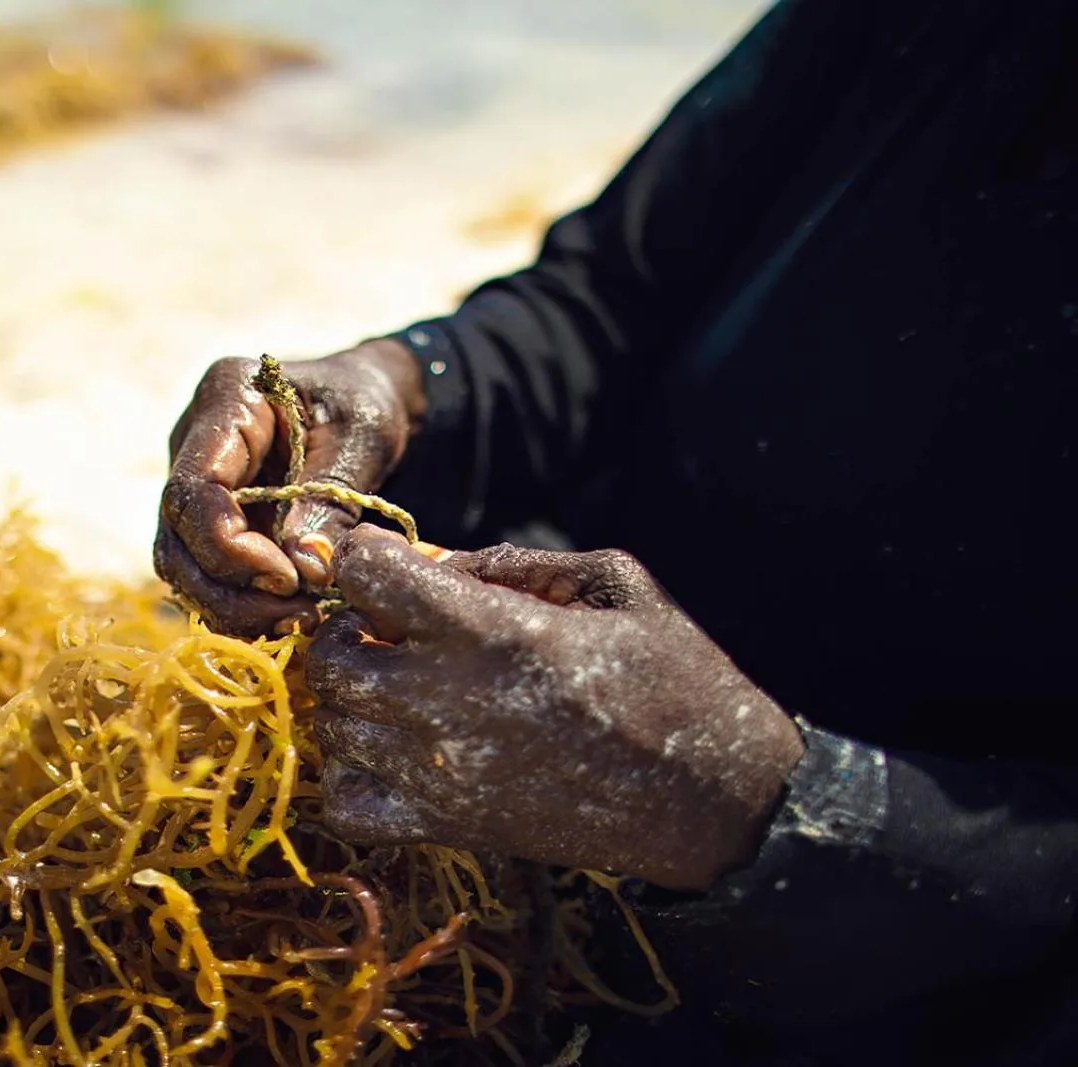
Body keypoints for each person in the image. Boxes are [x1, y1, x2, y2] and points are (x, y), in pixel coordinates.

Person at [153, 0, 1078, 1063]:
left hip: (895, 992)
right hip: (497, 757)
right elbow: (609, 295)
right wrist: (400, 389)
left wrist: (762, 802)